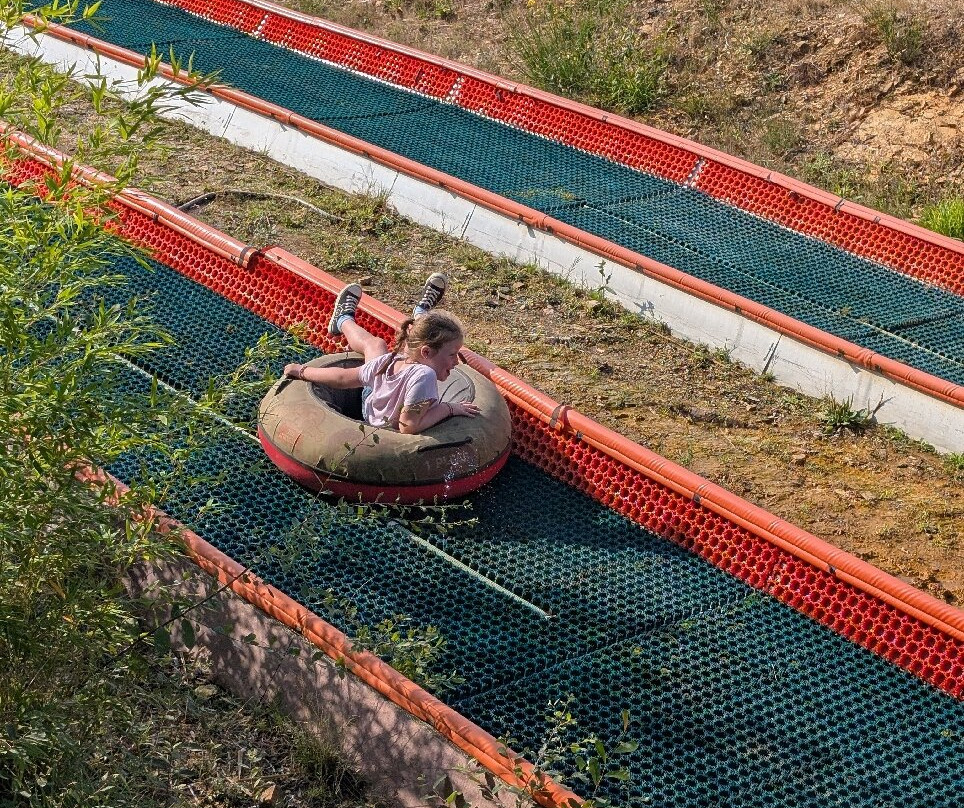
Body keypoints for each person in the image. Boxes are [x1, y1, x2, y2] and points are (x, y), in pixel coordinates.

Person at [283, 273, 481, 434]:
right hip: (385, 429)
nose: (457, 361)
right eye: (453, 354)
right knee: (377, 346)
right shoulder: (425, 375)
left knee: (375, 344)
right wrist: (449, 408)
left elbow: (343, 378)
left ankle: (344, 319)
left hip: (371, 408)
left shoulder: (392, 361)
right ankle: (420, 313)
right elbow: (408, 426)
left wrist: (302, 371)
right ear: (427, 352)